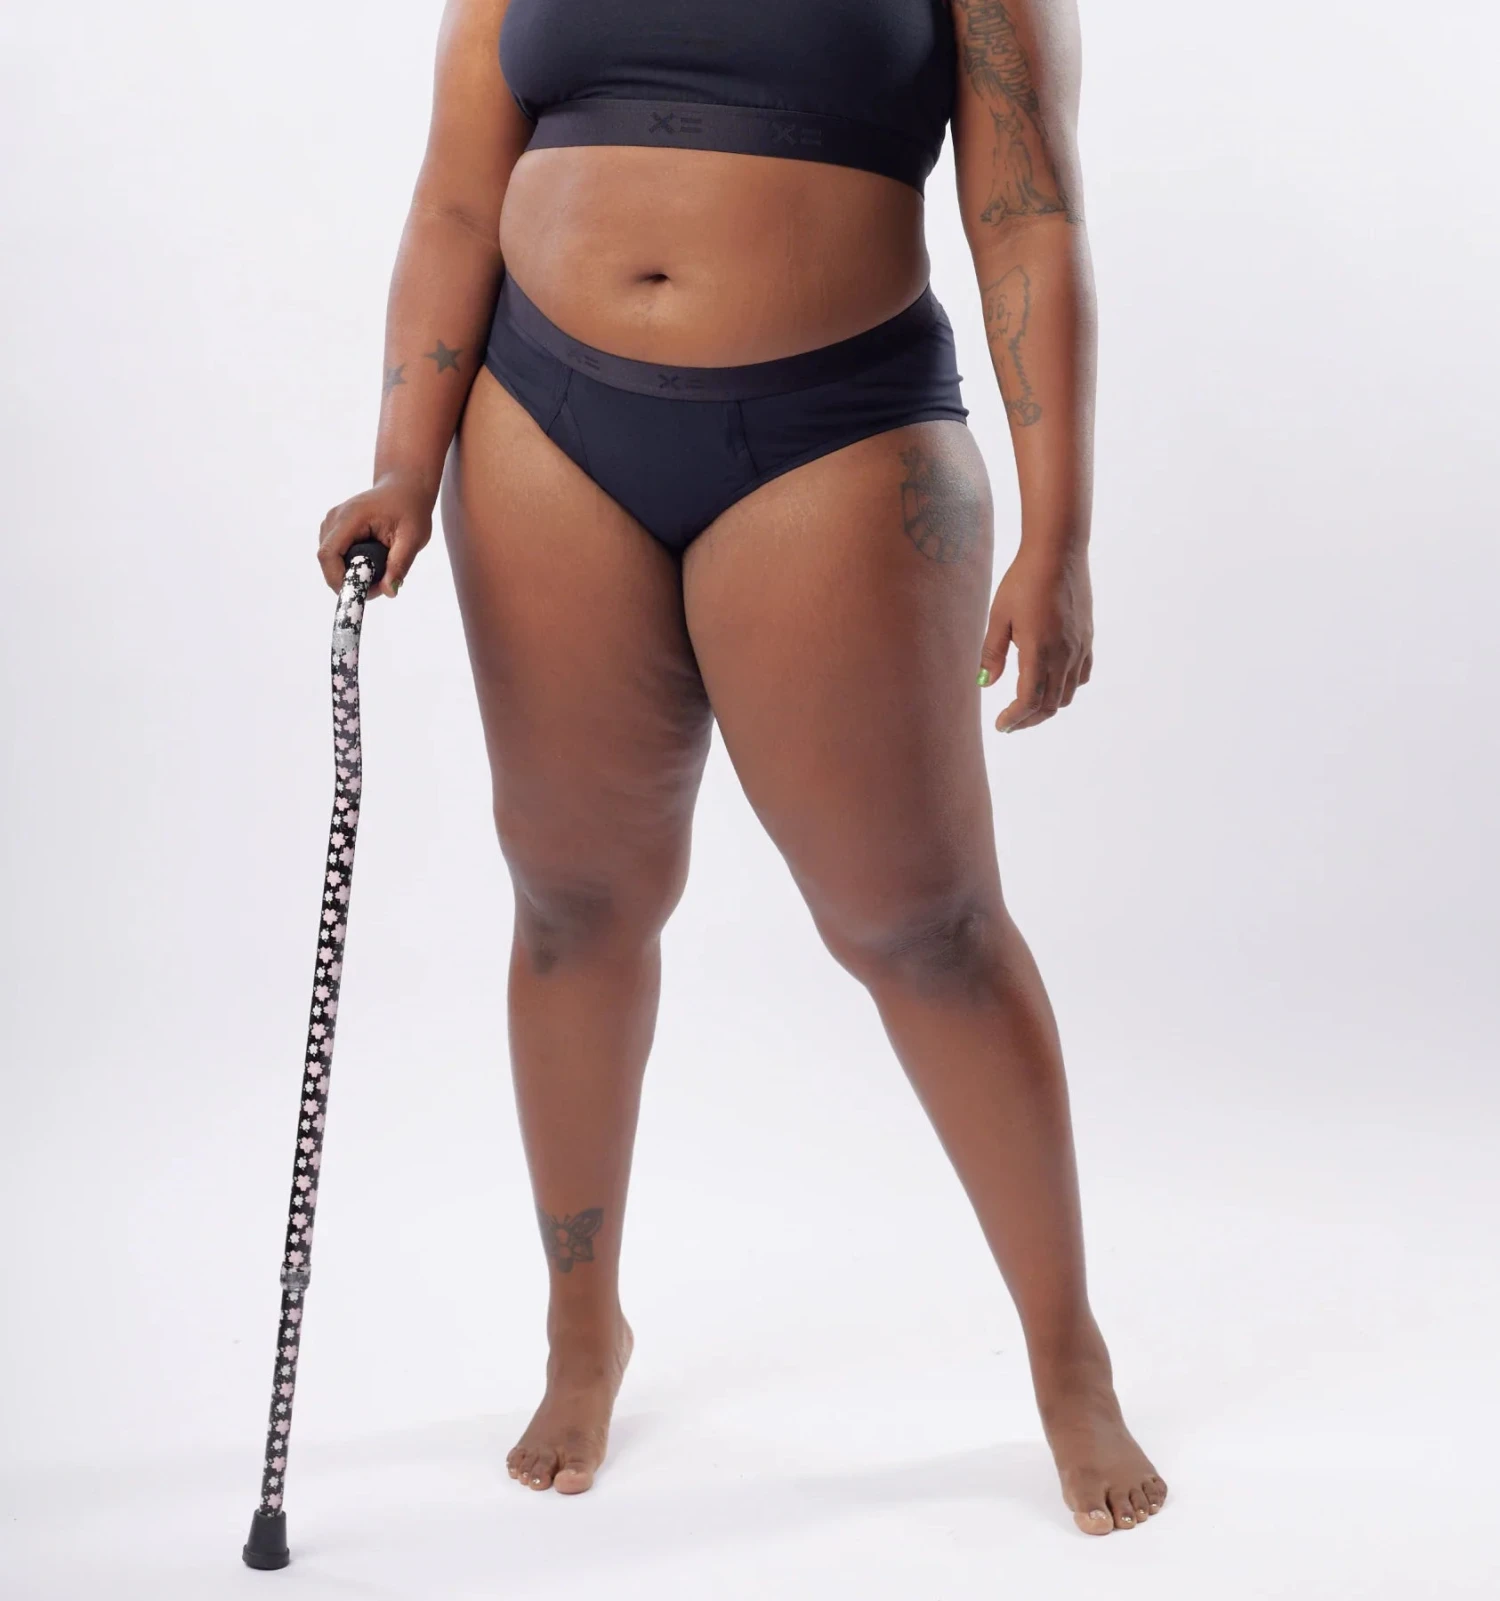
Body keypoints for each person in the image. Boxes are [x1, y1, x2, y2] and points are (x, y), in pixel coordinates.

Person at [317, 0, 1166, 1536]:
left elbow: (1027, 211)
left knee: (923, 927)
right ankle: (583, 1330)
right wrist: (402, 460)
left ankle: (1067, 1359)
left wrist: (1061, 533)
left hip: (837, 429)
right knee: (575, 904)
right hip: (541, 421)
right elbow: (453, 195)